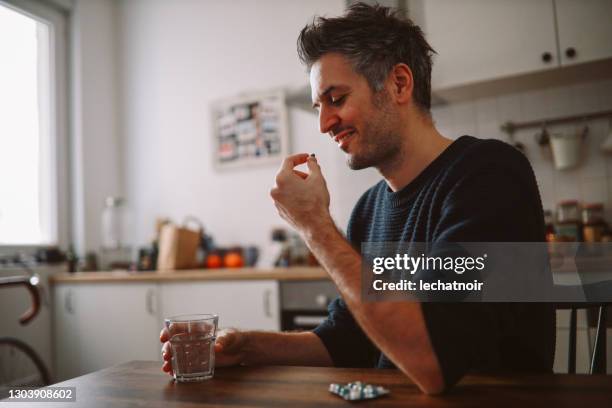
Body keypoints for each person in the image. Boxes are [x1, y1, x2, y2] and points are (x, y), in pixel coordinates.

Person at [161, 3, 555, 394]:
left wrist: (315, 226)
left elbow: (435, 362)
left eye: (336, 99)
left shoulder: (490, 175)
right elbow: (344, 341)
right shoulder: (370, 209)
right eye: (319, 106)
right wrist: (246, 346)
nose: (323, 123)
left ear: (399, 84)